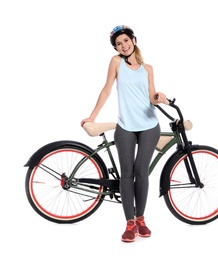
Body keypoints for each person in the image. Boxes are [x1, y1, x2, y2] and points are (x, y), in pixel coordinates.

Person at [81, 25, 167, 242]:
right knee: (127, 173)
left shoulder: (148, 68)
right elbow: (107, 89)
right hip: (125, 126)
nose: (123, 45)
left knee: (142, 171)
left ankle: (141, 219)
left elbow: (151, 96)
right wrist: (92, 116)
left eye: (126, 41)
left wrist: (159, 97)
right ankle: (130, 223)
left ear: (134, 41)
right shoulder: (116, 62)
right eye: (119, 44)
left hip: (149, 125)